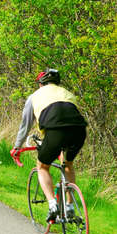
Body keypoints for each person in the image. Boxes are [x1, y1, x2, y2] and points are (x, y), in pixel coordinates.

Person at [11, 69, 87, 222]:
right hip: (79, 130)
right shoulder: (67, 93)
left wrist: (17, 146)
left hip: (55, 131)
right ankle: (70, 206)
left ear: (41, 84)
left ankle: (53, 204)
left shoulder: (34, 96)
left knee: (42, 166)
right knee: (68, 165)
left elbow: (25, 125)